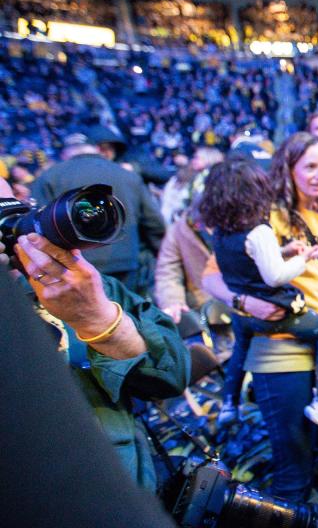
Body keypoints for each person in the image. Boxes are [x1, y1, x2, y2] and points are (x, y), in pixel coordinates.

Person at [1, 179, 189, 492]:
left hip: (120, 489)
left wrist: (97, 317)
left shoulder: (80, 286)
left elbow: (172, 375)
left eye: (11, 211)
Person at [202, 132, 318, 503]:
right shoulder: (261, 214)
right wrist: (243, 302)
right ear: (287, 170)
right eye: (311, 167)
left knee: (311, 452)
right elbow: (211, 276)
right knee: (293, 468)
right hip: (280, 353)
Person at [197, 158, 318, 432]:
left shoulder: (221, 232)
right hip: (273, 316)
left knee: (239, 349)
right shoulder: (260, 230)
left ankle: (229, 403)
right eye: (311, 166)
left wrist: (285, 251)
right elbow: (274, 276)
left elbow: (247, 261)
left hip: (244, 318)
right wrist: (304, 259)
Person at [31, 132, 166, 291]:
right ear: (96, 149)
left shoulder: (48, 177)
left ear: (65, 152)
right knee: (126, 313)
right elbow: (154, 222)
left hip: (74, 266)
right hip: (125, 262)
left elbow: (38, 226)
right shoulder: (128, 175)